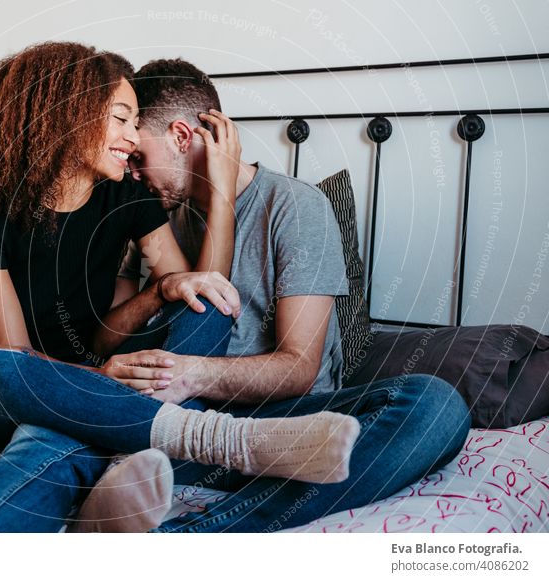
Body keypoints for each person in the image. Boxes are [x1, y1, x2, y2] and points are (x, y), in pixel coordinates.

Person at [0, 43, 361, 534]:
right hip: (50, 388)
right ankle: (206, 437)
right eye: (120, 121)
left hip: (129, 404)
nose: (129, 147)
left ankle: (113, 479)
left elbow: (209, 294)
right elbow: (26, 353)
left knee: (196, 306)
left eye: (134, 129)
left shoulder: (130, 196)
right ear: (70, 118)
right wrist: (105, 373)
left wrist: (170, 279)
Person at [65, 58, 472, 533]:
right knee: (67, 413)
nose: (131, 171)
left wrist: (190, 373)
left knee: (435, 403)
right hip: (178, 423)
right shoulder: (155, 221)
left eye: (139, 157)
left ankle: (195, 534)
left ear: (181, 135)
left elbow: (300, 368)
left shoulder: (294, 207)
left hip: (284, 424)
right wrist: (159, 293)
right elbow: (106, 341)